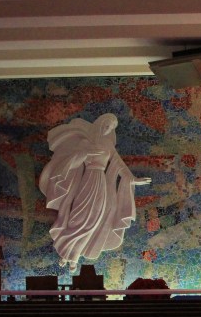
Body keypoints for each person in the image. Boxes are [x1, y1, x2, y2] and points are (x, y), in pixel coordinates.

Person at [38, 113, 151, 271]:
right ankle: (65, 251)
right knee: (77, 218)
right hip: (87, 180)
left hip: (101, 183)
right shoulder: (86, 141)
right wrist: (85, 153)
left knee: (93, 221)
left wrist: (133, 179)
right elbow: (74, 161)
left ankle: (74, 257)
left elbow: (119, 165)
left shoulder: (108, 145)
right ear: (100, 123)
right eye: (107, 125)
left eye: (111, 128)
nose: (107, 129)